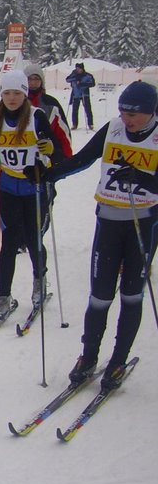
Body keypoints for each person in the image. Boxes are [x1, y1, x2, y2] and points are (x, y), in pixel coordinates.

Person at [45, 81, 158, 391]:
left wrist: (142, 178)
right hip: (108, 222)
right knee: (100, 295)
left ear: (150, 112)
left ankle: (119, 359)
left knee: (132, 294)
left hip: (142, 224)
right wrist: (50, 174)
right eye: (122, 112)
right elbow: (83, 158)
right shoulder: (113, 128)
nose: (126, 119)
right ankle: (88, 357)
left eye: (133, 114)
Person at [0, 70, 65, 322]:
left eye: (17, 93)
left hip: (34, 188)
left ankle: (39, 284)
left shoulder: (36, 116)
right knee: (8, 245)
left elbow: (58, 153)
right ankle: (3, 297)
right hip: (9, 188)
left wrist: (50, 150)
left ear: (24, 94)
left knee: (33, 239)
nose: (11, 98)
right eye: (7, 93)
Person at [25, 63, 73, 160]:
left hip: (48, 157)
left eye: (36, 79)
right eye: (29, 79)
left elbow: (63, 134)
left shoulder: (51, 103)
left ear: (41, 81)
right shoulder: (16, 102)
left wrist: (65, 159)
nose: (33, 83)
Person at [65, 62, 96, 131]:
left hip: (84, 94)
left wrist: (83, 84)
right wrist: (74, 77)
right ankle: (74, 124)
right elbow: (67, 79)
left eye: (79, 68)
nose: (78, 70)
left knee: (88, 109)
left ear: (82, 69)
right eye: (77, 68)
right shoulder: (74, 75)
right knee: (75, 110)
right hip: (76, 94)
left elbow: (92, 83)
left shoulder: (87, 75)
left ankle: (90, 124)